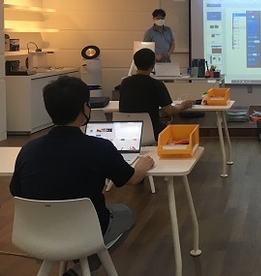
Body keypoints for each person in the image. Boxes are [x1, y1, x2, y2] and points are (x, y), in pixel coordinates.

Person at [10, 75, 155, 276]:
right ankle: (78, 271)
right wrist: (142, 165)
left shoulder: (28, 149)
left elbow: (16, 191)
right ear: (84, 108)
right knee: (126, 213)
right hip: (86, 232)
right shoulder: (100, 148)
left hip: (36, 233)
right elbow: (132, 179)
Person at [119, 48, 194, 140]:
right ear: (153, 65)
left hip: (126, 131)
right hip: (151, 130)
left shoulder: (124, 83)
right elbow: (170, 111)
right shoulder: (156, 85)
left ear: (135, 64)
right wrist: (183, 106)